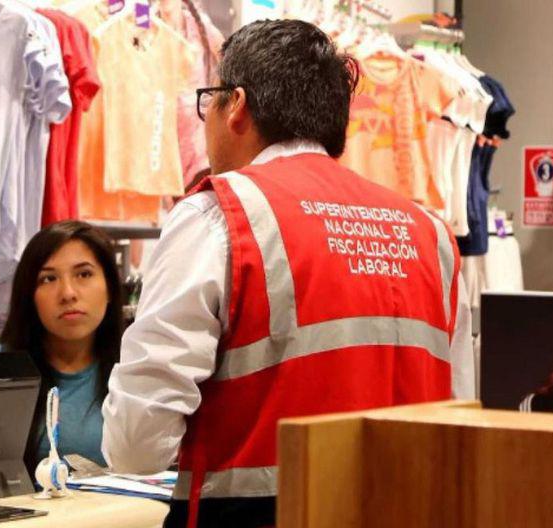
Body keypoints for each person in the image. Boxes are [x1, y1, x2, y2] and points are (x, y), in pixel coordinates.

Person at [101, 20, 474, 528]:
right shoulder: (429, 233)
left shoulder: (221, 215)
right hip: (410, 508)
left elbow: (138, 442)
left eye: (208, 99)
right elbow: (457, 414)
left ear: (236, 105)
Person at [0, 221, 124, 471]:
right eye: (48, 278)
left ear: (110, 287)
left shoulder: (136, 367)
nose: (67, 293)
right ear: (29, 295)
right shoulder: (3, 370)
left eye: (84, 274)